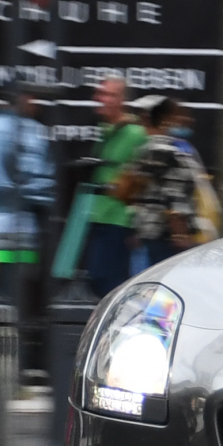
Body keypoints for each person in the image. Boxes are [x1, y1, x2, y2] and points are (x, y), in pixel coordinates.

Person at [0, 82, 54, 313]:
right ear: (24, 98)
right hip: (22, 231)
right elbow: (41, 185)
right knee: (15, 309)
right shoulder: (33, 132)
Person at [121, 97, 214, 266]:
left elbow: (134, 192)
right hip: (167, 238)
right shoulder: (166, 152)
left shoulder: (145, 151)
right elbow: (174, 199)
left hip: (149, 235)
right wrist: (180, 234)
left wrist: (139, 228)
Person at [81, 75, 149, 294]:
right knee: (97, 280)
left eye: (109, 95)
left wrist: (136, 224)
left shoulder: (135, 133)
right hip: (98, 217)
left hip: (120, 222)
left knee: (110, 284)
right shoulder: (107, 131)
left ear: (121, 99)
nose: (102, 99)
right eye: (100, 94)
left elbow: (143, 180)